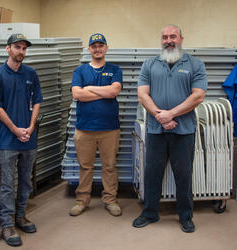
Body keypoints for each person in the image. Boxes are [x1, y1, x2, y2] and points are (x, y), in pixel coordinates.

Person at [132, 25, 207, 232]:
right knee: (152, 173)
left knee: (183, 174)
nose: (168, 40)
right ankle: (150, 213)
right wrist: (160, 116)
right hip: (156, 130)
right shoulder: (150, 64)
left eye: (172, 36)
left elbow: (198, 95)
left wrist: (171, 114)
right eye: (164, 37)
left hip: (184, 131)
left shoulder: (195, 64)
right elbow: (142, 95)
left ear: (181, 38)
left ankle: (185, 216)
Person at [0, 33, 43, 246]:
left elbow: (37, 101)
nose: (21, 51)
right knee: (8, 184)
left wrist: (29, 127)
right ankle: (7, 225)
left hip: (29, 138)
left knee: (26, 181)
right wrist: (14, 129)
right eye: (17, 47)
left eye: (24, 48)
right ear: (7, 49)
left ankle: (20, 216)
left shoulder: (31, 74)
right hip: (8, 140)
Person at [69, 33, 123, 217]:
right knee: (85, 167)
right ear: (89, 49)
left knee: (109, 166)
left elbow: (114, 91)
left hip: (109, 129)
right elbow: (77, 94)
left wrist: (89, 88)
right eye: (94, 46)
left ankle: (110, 199)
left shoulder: (115, 69)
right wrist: (103, 92)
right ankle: (82, 200)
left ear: (106, 48)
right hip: (84, 129)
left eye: (101, 45)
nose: (97, 49)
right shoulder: (80, 71)